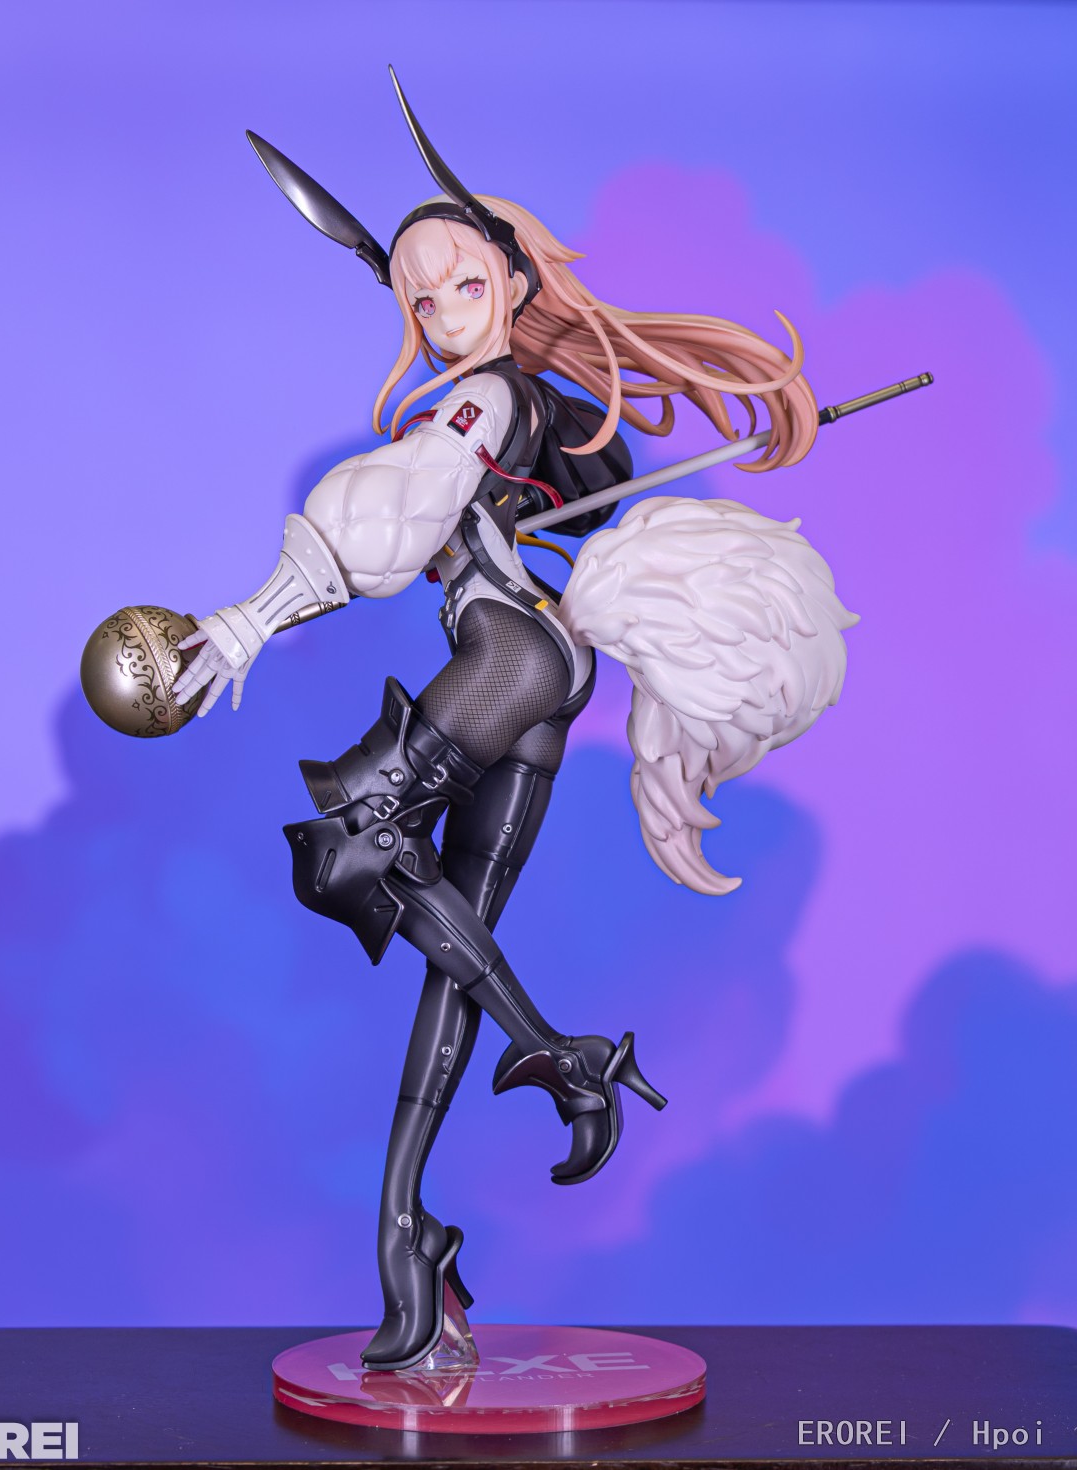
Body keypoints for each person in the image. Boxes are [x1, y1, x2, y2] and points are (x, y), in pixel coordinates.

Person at [173, 71, 847, 1372]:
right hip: (542, 671)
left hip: (510, 655)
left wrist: (249, 621)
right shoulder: (521, 405)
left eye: (461, 285)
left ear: (517, 281)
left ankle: (554, 1052)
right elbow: (471, 498)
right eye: (417, 300)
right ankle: (409, 1236)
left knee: (350, 841)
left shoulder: (480, 405)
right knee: (450, 947)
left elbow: (400, 508)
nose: (437, 313)